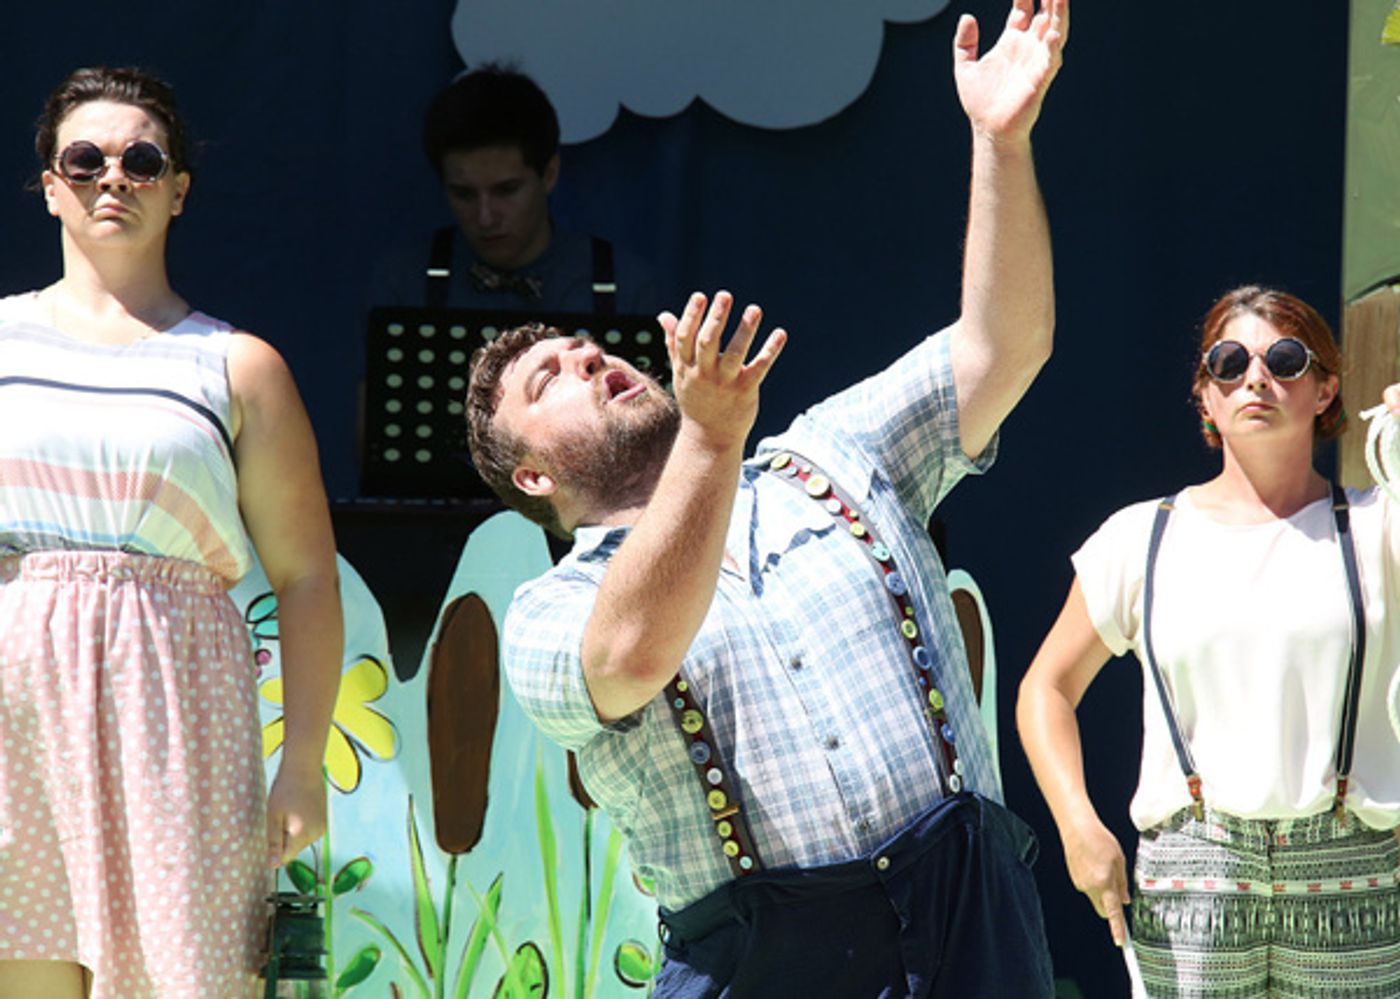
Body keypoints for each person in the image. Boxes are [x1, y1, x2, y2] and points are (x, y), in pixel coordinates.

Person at [464, 2, 1067, 994]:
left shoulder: (828, 452)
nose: (592, 362)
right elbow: (631, 655)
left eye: (591, 350)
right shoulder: (548, 613)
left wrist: (999, 142)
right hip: (768, 961)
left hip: (969, 920)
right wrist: (708, 436)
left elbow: (1001, 348)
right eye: (552, 382)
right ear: (530, 477)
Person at [0, 67, 342, 997]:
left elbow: (307, 576)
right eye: (85, 159)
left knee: (178, 977)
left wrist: (302, 762)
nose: (113, 177)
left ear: (179, 190)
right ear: (48, 185)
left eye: (142, 160)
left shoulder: (236, 365)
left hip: (175, 708)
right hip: (13, 703)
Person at [1016, 286, 1400, 996]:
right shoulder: (1141, 538)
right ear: (1205, 395)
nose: (1257, 377)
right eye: (1230, 361)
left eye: (1286, 359)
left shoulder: (1379, 525)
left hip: (1352, 859)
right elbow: (1046, 687)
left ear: (1326, 389)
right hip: (1196, 864)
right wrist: (1075, 821)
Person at [369, 63, 661, 316]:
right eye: (464, 194)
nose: (485, 217)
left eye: (506, 190)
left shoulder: (626, 288)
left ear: (549, 174)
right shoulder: (405, 283)